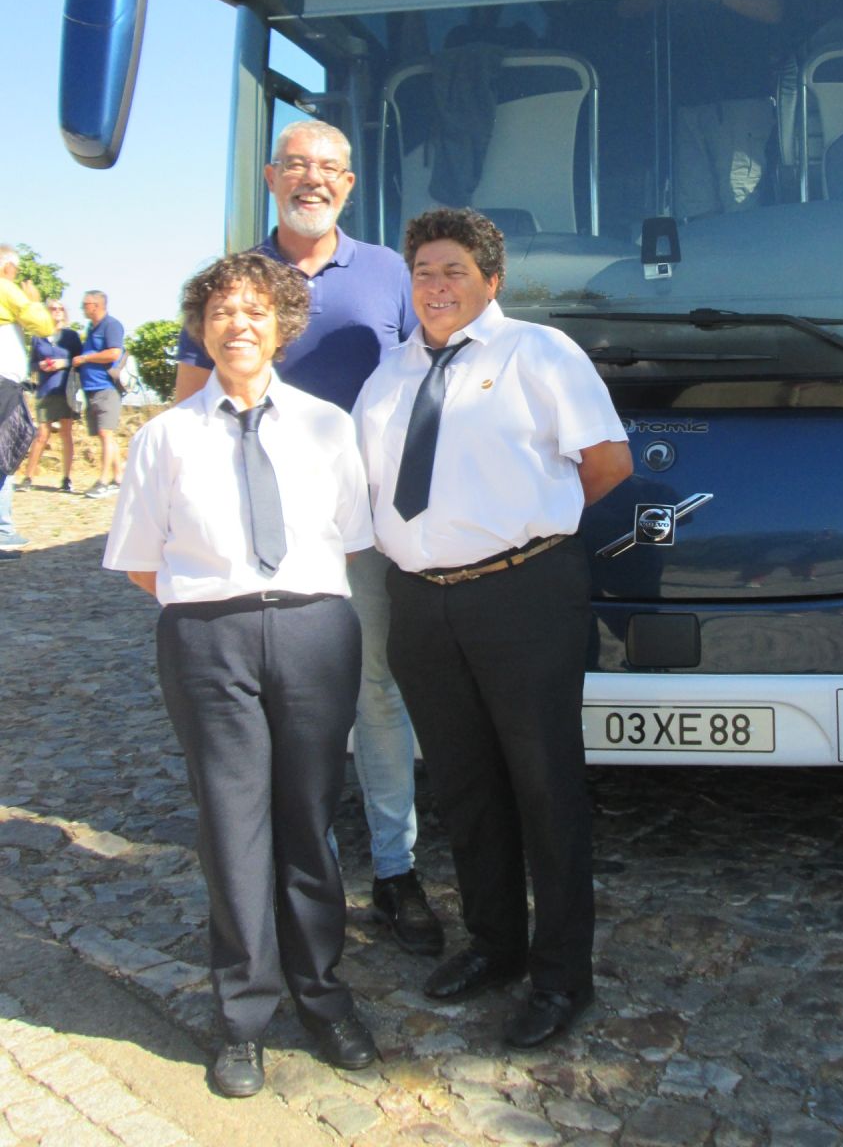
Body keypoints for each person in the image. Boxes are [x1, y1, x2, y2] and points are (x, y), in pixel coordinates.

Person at [354, 207, 632, 1048]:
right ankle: (495, 947)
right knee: (466, 788)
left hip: (523, 594)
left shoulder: (540, 353)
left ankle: (561, 978)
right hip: (421, 603)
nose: (437, 288)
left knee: (545, 789)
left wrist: (527, 527)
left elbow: (607, 462)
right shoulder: (388, 376)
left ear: (491, 281)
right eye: (425, 273)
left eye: (454, 272)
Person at [104, 253, 379, 1097]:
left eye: (256, 310)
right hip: (207, 636)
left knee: (309, 816)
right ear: (202, 327)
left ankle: (323, 996)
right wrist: (218, 602)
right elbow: (144, 563)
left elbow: (350, 536)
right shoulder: (165, 436)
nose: (239, 324)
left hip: (311, 630)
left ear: (283, 327)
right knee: (232, 824)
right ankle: (242, 1018)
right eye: (222, 311)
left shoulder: (330, 427)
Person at [173, 120, 440, 957]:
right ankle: (310, 876)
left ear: (350, 186)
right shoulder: (233, 280)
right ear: (270, 176)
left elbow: (426, 382)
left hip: (362, 530)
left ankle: (396, 871)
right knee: (290, 712)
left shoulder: (392, 274)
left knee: (375, 696)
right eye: (296, 165)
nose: (311, 179)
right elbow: (188, 404)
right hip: (257, 535)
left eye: (328, 168)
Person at [0, 244, 53, 557]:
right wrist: (33, 301)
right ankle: (2, 531)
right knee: (8, 449)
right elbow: (43, 324)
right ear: (7, 267)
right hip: (3, 383)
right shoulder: (5, 287)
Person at [20, 300, 84, 491]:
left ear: (65, 313)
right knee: (41, 434)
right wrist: (39, 366)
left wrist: (63, 363)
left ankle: (66, 478)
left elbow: (79, 360)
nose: (57, 311)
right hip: (45, 390)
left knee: (66, 433)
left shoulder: (71, 336)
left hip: (65, 390)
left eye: (60, 308)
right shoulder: (38, 336)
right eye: (53, 309)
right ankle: (28, 477)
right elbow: (30, 364)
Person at [73, 290, 126, 498]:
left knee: (106, 433)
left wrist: (85, 359)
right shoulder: (91, 327)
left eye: (85, 304)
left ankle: (103, 481)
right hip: (91, 388)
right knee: (105, 435)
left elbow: (114, 352)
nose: (83, 308)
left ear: (96, 305)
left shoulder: (111, 325)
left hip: (106, 387)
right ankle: (119, 477)